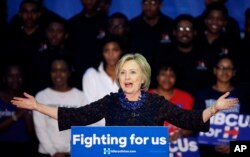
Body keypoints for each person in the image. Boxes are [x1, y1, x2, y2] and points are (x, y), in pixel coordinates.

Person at [11, 53, 238, 133]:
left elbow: (190, 119)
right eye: (123, 73)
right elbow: (75, 116)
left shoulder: (157, 103)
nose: (127, 77)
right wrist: (37, 106)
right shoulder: (109, 102)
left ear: (143, 78)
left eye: (133, 72)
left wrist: (215, 108)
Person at [194, 55, 250, 157]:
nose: (225, 71)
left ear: (234, 72)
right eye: (221, 68)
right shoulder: (203, 95)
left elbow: (246, 131)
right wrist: (211, 146)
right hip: (206, 151)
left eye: (229, 68)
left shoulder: (242, 96)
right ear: (215, 71)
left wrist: (233, 149)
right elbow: (196, 125)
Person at [33, 55, 86, 157]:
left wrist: (72, 150)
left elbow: (84, 127)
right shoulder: (41, 96)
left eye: (63, 70)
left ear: (69, 73)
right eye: (54, 70)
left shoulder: (80, 96)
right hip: (47, 153)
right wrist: (54, 152)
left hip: (73, 153)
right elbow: (40, 128)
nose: (58, 74)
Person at [82, 36, 123, 126]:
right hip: (97, 131)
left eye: (115, 50)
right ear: (102, 53)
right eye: (106, 50)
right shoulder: (92, 75)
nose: (111, 54)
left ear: (121, 51)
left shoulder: (130, 75)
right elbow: (90, 109)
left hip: (124, 132)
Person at [148, 64, 194, 141]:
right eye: (163, 74)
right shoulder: (145, 97)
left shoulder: (187, 98)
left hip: (179, 146)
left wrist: (181, 133)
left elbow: (192, 127)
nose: (167, 78)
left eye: (171, 75)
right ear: (157, 77)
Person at [0, 63, 38, 157]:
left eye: (18, 76)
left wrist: (26, 115)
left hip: (25, 148)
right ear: (4, 78)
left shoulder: (29, 98)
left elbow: (32, 134)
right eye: (11, 76)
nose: (15, 79)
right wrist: (16, 116)